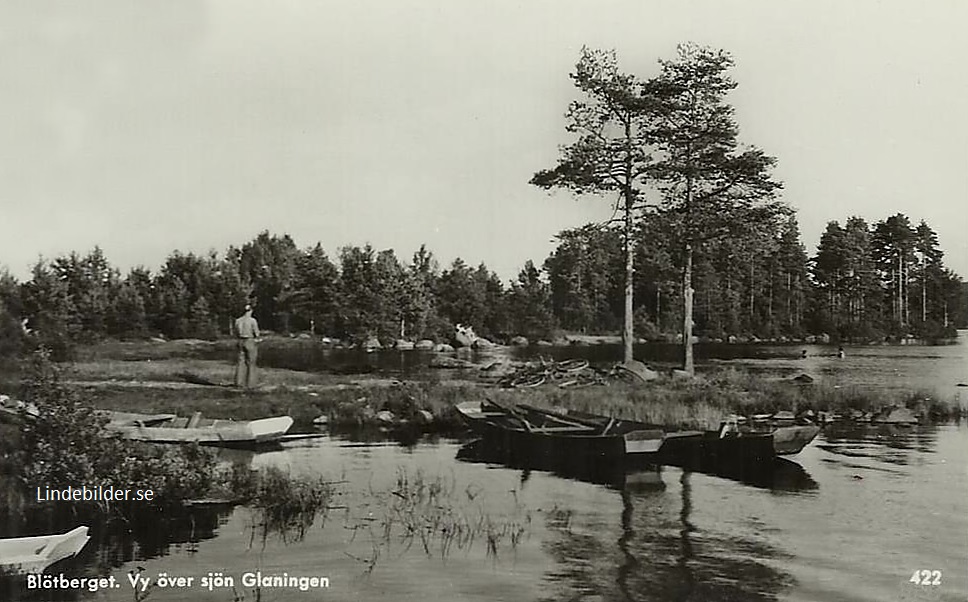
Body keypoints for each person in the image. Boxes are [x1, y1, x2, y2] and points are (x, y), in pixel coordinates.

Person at [234, 304, 260, 388]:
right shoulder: (252, 320)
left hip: (240, 341)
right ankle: (251, 384)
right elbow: (256, 333)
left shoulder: (238, 320)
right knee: (251, 363)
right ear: (250, 311)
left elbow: (236, 332)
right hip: (249, 340)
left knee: (240, 362)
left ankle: (239, 383)